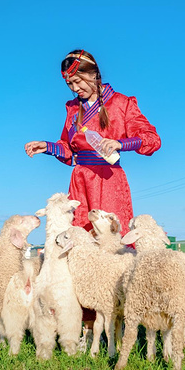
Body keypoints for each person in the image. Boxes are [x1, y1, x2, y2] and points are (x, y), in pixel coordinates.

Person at [24, 49, 161, 235]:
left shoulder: (122, 103)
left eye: (78, 81)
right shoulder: (72, 108)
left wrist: (121, 144)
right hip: (80, 182)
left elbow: (152, 139)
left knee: (111, 238)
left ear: (94, 74)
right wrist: (47, 147)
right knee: (80, 238)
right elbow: (68, 149)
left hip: (109, 180)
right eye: (69, 84)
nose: (74, 88)